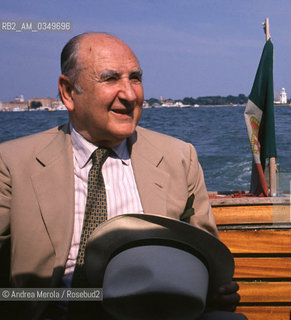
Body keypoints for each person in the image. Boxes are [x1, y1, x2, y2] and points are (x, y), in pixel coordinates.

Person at [0, 32, 242, 319]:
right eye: (111, 78)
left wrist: (212, 290)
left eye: (135, 78)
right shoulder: (12, 163)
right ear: (68, 92)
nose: (130, 95)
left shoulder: (179, 157)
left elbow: (205, 257)